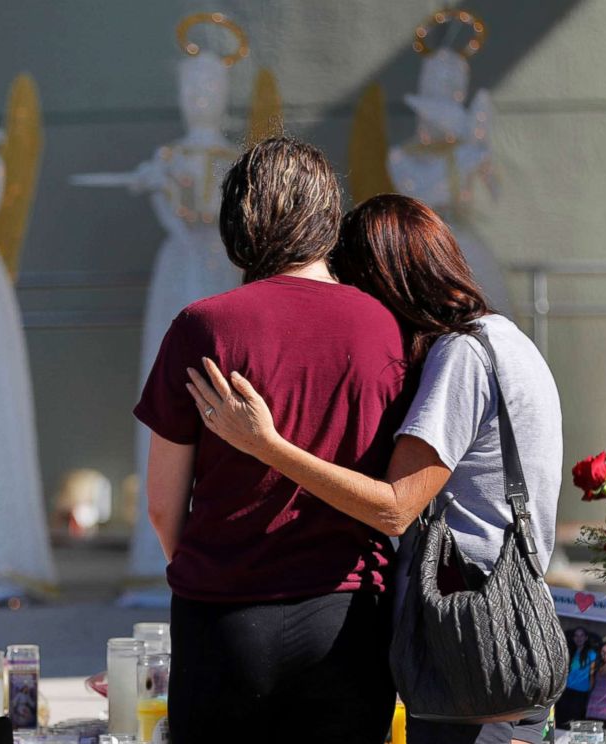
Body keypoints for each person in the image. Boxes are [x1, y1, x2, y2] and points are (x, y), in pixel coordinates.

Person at [185, 193, 562, 744]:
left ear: (383, 281)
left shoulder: (462, 356)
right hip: (506, 634)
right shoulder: (509, 341)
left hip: (466, 639)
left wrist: (265, 443)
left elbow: (394, 506)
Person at [133, 138, 411, 742]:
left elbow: (161, 504)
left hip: (224, 612)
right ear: (326, 219)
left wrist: (208, 569)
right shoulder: (382, 326)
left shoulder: (203, 326)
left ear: (238, 222)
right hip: (348, 615)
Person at [554, 626, 598, 727]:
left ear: (586, 638)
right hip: (567, 690)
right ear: (573, 638)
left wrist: (589, 690)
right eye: (576, 636)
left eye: (581, 635)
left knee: (576, 721)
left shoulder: (591, 654)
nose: (579, 638)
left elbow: (592, 673)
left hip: (581, 693)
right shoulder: (570, 651)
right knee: (562, 719)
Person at [585, 640, 606, 732]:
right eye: (603, 651)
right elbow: (591, 686)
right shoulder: (596, 665)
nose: (605, 654)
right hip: (594, 705)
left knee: (605, 734)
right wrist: (591, 673)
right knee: (592, 733)